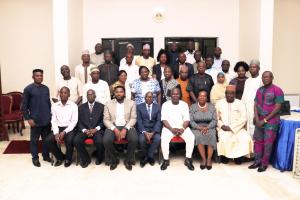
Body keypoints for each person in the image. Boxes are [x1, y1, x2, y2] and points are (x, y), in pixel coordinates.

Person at [249, 71, 284, 172]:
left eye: (268, 77)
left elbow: (277, 108)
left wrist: (265, 120)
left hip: (271, 121)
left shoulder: (278, 90)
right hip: (259, 121)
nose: (265, 79)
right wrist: (256, 118)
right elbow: (255, 104)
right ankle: (257, 161)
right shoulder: (259, 90)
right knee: (258, 141)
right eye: (264, 77)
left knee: (268, 143)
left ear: (272, 77)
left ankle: (264, 164)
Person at [103, 86, 138, 171]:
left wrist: (125, 129)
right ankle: (114, 160)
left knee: (134, 139)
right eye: (117, 92)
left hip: (127, 125)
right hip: (113, 125)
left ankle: (128, 160)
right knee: (106, 140)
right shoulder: (108, 103)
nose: (119, 93)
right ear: (114, 94)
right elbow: (106, 119)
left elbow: (133, 118)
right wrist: (114, 129)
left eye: (121, 92)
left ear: (124, 93)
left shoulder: (131, 103)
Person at [216, 85, 253, 165]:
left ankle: (238, 157)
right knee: (224, 138)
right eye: (228, 93)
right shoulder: (219, 103)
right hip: (224, 127)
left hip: (238, 128)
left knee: (245, 138)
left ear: (235, 94)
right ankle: (225, 156)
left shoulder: (240, 103)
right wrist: (222, 126)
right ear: (225, 94)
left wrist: (232, 127)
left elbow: (244, 118)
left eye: (232, 93)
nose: (230, 95)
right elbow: (216, 117)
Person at [22, 69, 52, 167]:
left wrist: (51, 116)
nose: (39, 77)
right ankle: (35, 158)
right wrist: (28, 119)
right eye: (37, 76)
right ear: (33, 77)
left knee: (46, 140)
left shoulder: (46, 88)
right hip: (35, 120)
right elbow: (24, 106)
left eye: (41, 75)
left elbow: (48, 103)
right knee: (34, 141)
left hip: (46, 119)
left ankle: (45, 155)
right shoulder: (28, 89)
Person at [160, 88, 195, 171]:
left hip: (182, 127)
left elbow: (187, 119)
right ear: (170, 95)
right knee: (164, 138)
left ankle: (188, 159)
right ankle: (166, 160)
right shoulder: (165, 104)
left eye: (177, 94)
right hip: (169, 128)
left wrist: (182, 128)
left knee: (191, 137)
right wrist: (171, 129)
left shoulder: (184, 104)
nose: (175, 96)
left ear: (180, 95)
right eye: (173, 94)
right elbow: (164, 119)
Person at [45, 87, 78, 167]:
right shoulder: (55, 106)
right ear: (59, 94)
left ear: (69, 95)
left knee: (69, 140)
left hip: (69, 128)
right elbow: (53, 120)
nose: (63, 94)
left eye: (65, 93)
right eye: (61, 93)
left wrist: (64, 131)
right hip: (58, 127)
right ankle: (60, 157)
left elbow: (74, 121)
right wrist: (56, 133)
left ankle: (68, 159)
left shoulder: (73, 106)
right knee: (48, 140)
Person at [74, 89, 105, 168]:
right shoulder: (81, 107)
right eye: (88, 94)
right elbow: (79, 122)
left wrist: (96, 129)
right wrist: (84, 130)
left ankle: (99, 157)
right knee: (76, 141)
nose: (90, 96)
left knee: (99, 141)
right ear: (86, 96)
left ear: (95, 96)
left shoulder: (101, 106)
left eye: (91, 94)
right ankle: (86, 158)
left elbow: (103, 121)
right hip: (84, 130)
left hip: (97, 130)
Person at [190, 90, 217, 170]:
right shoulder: (193, 107)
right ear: (197, 97)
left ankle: (209, 159)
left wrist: (207, 127)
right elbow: (191, 121)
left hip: (209, 126)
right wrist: (199, 128)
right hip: (197, 127)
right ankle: (203, 159)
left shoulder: (211, 106)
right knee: (198, 136)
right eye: (200, 96)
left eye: (204, 96)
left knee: (212, 135)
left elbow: (214, 120)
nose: (202, 97)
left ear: (207, 98)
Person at [137, 92, 162, 167]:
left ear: (153, 98)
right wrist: (144, 132)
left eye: (151, 97)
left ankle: (149, 156)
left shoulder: (157, 107)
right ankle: (145, 156)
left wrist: (153, 132)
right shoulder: (139, 107)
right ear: (144, 98)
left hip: (154, 129)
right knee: (141, 140)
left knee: (158, 139)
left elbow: (158, 121)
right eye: (147, 97)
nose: (149, 98)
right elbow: (139, 121)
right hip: (143, 129)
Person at [241, 59, 262, 138]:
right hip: (246, 108)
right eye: (250, 67)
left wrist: (257, 114)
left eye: (254, 67)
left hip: (254, 109)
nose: (252, 69)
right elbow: (244, 96)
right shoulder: (247, 80)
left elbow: (261, 99)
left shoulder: (260, 80)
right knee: (245, 129)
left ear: (258, 68)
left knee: (253, 129)